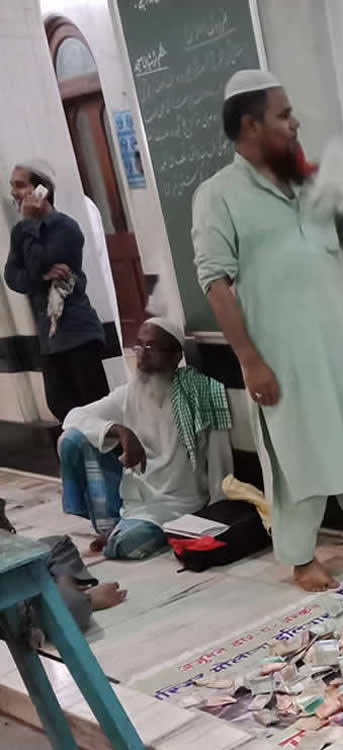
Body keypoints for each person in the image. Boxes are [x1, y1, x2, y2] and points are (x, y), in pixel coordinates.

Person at [192, 70, 343, 593]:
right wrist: (250, 361)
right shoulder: (218, 195)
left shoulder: (309, 181)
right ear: (251, 125)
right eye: (283, 115)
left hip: (339, 342)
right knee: (296, 455)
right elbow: (215, 283)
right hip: (281, 354)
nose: (295, 123)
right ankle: (302, 557)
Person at [59, 318, 234, 559]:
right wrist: (121, 431)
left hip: (176, 504)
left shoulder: (200, 394)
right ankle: (111, 522)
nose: (141, 355)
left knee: (124, 546)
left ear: (175, 356)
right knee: (71, 440)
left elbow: (219, 460)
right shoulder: (129, 393)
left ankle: (122, 531)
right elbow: (73, 417)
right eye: (139, 345)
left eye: (151, 347)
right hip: (134, 497)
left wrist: (217, 510)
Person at [5, 160, 109, 421]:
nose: (14, 193)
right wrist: (40, 276)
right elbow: (12, 278)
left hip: (77, 333)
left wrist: (30, 222)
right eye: (12, 186)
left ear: (42, 190)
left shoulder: (65, 228)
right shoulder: (21, 232)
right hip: (49, 339)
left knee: (94, 409)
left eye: (20, 185)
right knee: (59, 406)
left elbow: (37, 264)